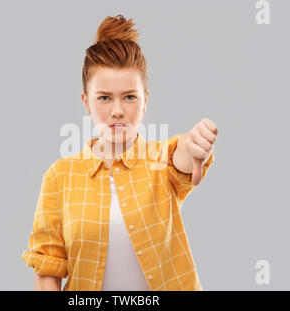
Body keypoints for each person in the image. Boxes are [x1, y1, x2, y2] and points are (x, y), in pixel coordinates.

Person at [21, 14, 218, 291]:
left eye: (129, 97)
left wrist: (193, 145)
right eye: (104, 97)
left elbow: (181, 157)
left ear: (145, 99)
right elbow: (47, 268)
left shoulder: (162, 161)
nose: (117, 110)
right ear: (86, 102)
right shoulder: (59, 177)